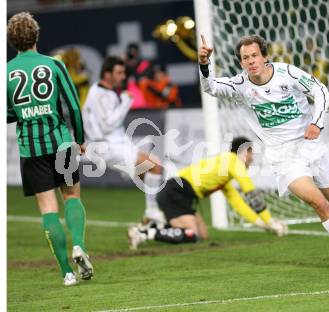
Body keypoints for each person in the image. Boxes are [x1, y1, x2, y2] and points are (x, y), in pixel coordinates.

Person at [198, 34, 329, 272]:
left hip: (310, 145)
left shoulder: (287, 74)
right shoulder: (240, 85)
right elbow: (211, 87)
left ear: (265, 57)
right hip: (283, 156)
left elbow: (320, 90)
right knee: (320, 204)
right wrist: (204, 63)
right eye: (245, 58)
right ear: (241, 63)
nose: (251, 61)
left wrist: (317, 123)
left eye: (254, 55)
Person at [7, 12, 93, 286]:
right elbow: (72, 105)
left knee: (48, 209)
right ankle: (78, 245)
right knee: (71, 196)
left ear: (11, 41)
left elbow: (8, 113)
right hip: (60, 143)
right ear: (36, 35)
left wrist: (23, 112)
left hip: (31, 149)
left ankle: (67, 273)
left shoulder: (6, 72)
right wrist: (79, 138)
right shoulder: (54, 65)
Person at [128, 137, 288, 250]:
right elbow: (250, 193)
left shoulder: (225, 170)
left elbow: (237, 203)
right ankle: (142, 233)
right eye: (251, 154)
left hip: (181, 192)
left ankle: (154, 223)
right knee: (192, 235)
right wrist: (270, 221)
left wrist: (262, 224)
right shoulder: (234, 162)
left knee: (203, 235)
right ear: (244, 152)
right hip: (176, 192)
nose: (252, 159)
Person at [81, 56, 165, 224]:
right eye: (119, 73)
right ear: (107, 74)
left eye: (124, 73)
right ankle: (152, 211)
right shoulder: (104, 95)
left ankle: (146, 225)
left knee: (148, 176)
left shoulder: (96, 90)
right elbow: (108, 124)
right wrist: (126, 101)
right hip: (108, 146)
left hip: (111, 144)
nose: (123, 76)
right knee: (155, 167)